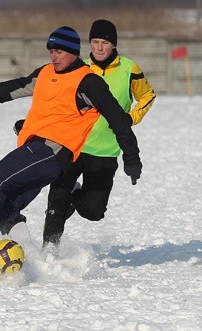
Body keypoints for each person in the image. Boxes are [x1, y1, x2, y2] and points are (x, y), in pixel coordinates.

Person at [0, 26, 142, 266]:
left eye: (59, 51)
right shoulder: (45, 73)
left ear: (74, 52)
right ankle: (38, 262)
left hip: (53, 152)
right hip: (35, 149)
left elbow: (118, 118)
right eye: (51, 51)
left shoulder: (88, 82)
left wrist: (132, 156)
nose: (53, 56)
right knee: (6, 206)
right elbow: (15, 87)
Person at [41, 19, 155, 248]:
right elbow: (55, 100)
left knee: (93, 211)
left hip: (105, 151)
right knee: (56, 202)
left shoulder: (129, 69)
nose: (99, 48)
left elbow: (147, 96)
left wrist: (130, 118)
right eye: (95, 42)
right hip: (72, 146)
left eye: (104, 42)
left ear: (113, 45)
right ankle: (48, 253)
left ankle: (75, 196)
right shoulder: (78, 67)